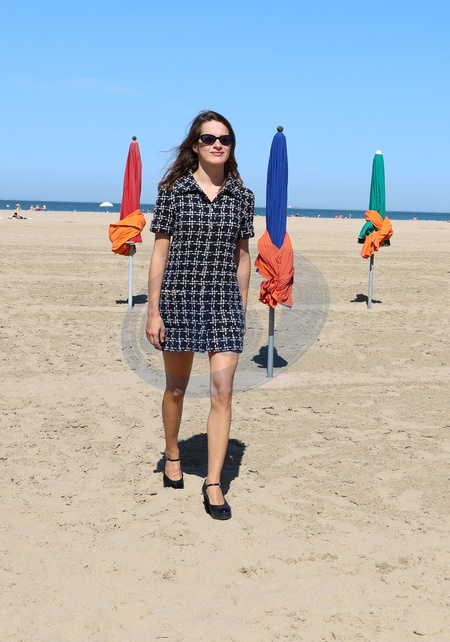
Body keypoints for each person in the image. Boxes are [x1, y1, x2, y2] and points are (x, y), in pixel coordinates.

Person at [145, 110, 254, 520]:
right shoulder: (173, 192)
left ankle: (213, 482)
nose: (217, 144)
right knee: (176, 389)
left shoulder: (242, 197)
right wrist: (153, 311)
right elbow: (160, 254)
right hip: (178, 302)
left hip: (224, 304)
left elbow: (243, 257)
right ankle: (173, 452)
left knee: (222, 393)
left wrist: (241, 308)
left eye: (224, 139)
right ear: (195, 145)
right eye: (209, 138)